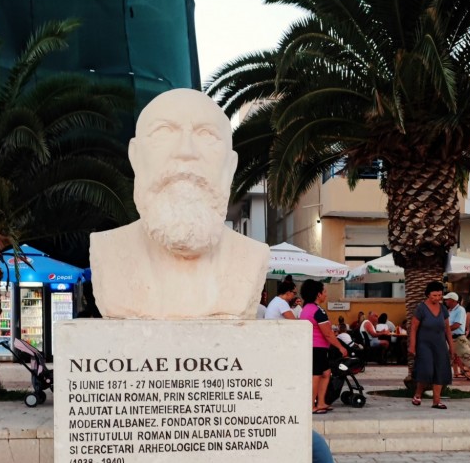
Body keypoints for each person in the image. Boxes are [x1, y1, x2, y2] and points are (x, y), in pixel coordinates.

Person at [90, 89, 269, 319]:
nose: (186, 151)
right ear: (135, 157)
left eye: (206, 135)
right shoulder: (108, 252)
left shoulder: (251, 259)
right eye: (163, 132)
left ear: (230, 166)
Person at [300, 279, 348, 415]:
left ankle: (321, 402)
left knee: (326, 373)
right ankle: (312, 405)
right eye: (324, 291)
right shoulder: (317, 311)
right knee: (316, 375)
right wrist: (341, 347)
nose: (326, 294)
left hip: (314, 347)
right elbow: (328, 333)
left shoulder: (306, 309)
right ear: (318, 294)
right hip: (318, 348)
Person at [408, 281, 455, 409]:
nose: (437, 298)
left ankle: (436, 401)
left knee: (440, 371)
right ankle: (418, 394)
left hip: (440, 345)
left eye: (439, 295)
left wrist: (451, 346)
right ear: (428, 294)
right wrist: (412, 346)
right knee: (426, 370)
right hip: (424, 344)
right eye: (434, 295)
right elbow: (413, 328)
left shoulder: (443, 309)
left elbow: (447, 330)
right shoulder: (421, 308)